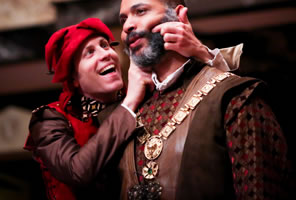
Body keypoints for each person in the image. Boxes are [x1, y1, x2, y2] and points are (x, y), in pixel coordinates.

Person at [23, 17, 239, 200]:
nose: (105, 54)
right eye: (89, 52)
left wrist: (200, 51)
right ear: (74, 79)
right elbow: (77, 171)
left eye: (105, 45)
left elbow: (204, 97)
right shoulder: (50, 119)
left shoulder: (143, 99)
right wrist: (129, 104)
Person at [118, 0, 290, 200]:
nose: (127, 26)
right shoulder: (129, 109)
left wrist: (202, 52)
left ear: (178, 15)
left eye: (140, 11)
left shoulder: (236, 97)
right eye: (123, 20)